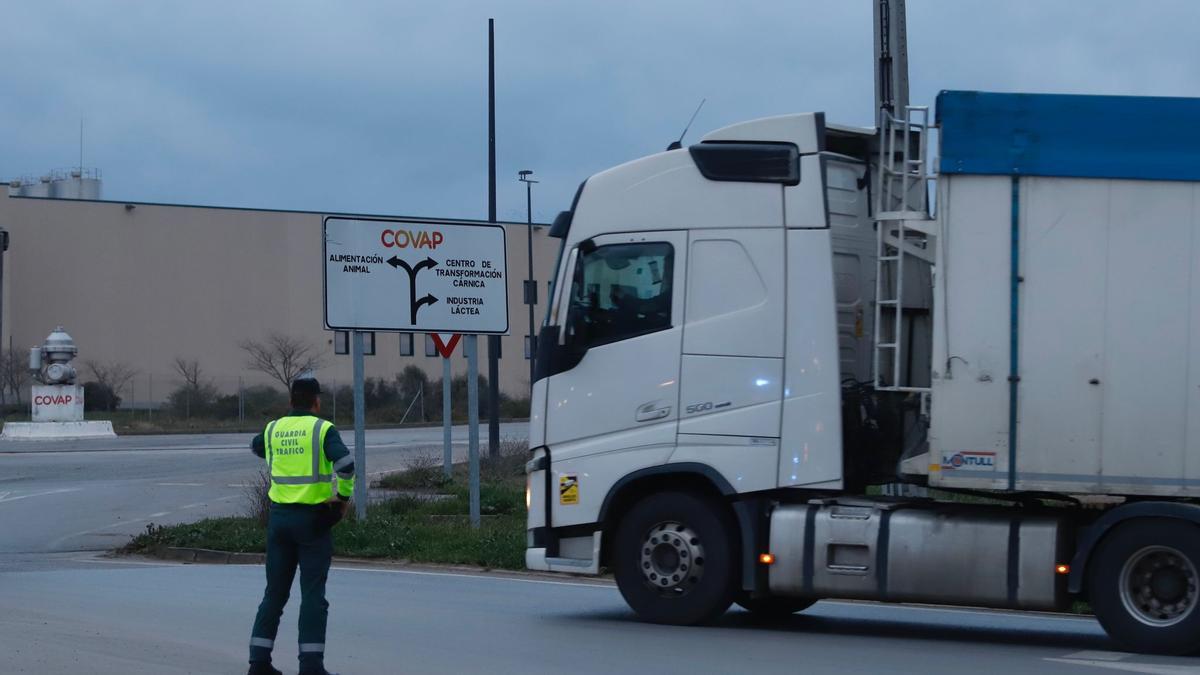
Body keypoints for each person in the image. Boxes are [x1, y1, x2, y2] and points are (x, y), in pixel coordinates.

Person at [247, 377, 354, 675]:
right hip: (312, 522)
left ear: (291, 401)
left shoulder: (273, 429)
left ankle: (258, 663)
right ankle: (310, 665)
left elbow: (256, 447)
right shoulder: (322, 429)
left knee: (274, 595)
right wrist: (342, 498)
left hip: (279, 520)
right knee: (313, 596)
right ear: (316, 402)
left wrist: (281, 455)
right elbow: (345, 465)